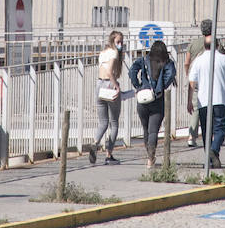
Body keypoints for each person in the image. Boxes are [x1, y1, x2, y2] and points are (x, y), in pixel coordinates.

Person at [188, 33, 225, 168]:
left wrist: (189, 101)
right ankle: (214, 150)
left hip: (203, 102)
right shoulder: (224, 59)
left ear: (204, 46)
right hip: (220, 100)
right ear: (217, 45)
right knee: (220, 130)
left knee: (206, 131)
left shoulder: (198, 61)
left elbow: (192, 82)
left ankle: (209, 159)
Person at [128, 40, 176, 169]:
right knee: (153, 131)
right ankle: (151, 158)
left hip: (143, 99)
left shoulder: (144, 60)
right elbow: (171, 74)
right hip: (157, 99)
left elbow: (132, 71)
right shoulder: (166, 62)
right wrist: (162, 87)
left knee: (145, 130)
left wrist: (138, 86)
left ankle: (150, 157)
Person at [91, 30, 126, 164]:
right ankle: (109, 154)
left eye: (122, 42)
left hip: (99, 85)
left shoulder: (103, 52)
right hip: (109, 85)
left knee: (103, 122)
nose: (120, 44)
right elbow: (110, 71)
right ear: (112, 42)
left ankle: (95, 142)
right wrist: (116, 85)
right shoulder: (114, 52)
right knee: (114, 123)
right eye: (118, 42)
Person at [183, 20, 217, 148]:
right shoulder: (215, 42)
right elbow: (222, 54)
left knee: (196, 108)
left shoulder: (193, 43)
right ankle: (211, 134)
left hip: (196, 78)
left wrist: (188, 74)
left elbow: (186, 62)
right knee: (212, 106)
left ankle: (192, 136)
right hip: (210, 78)